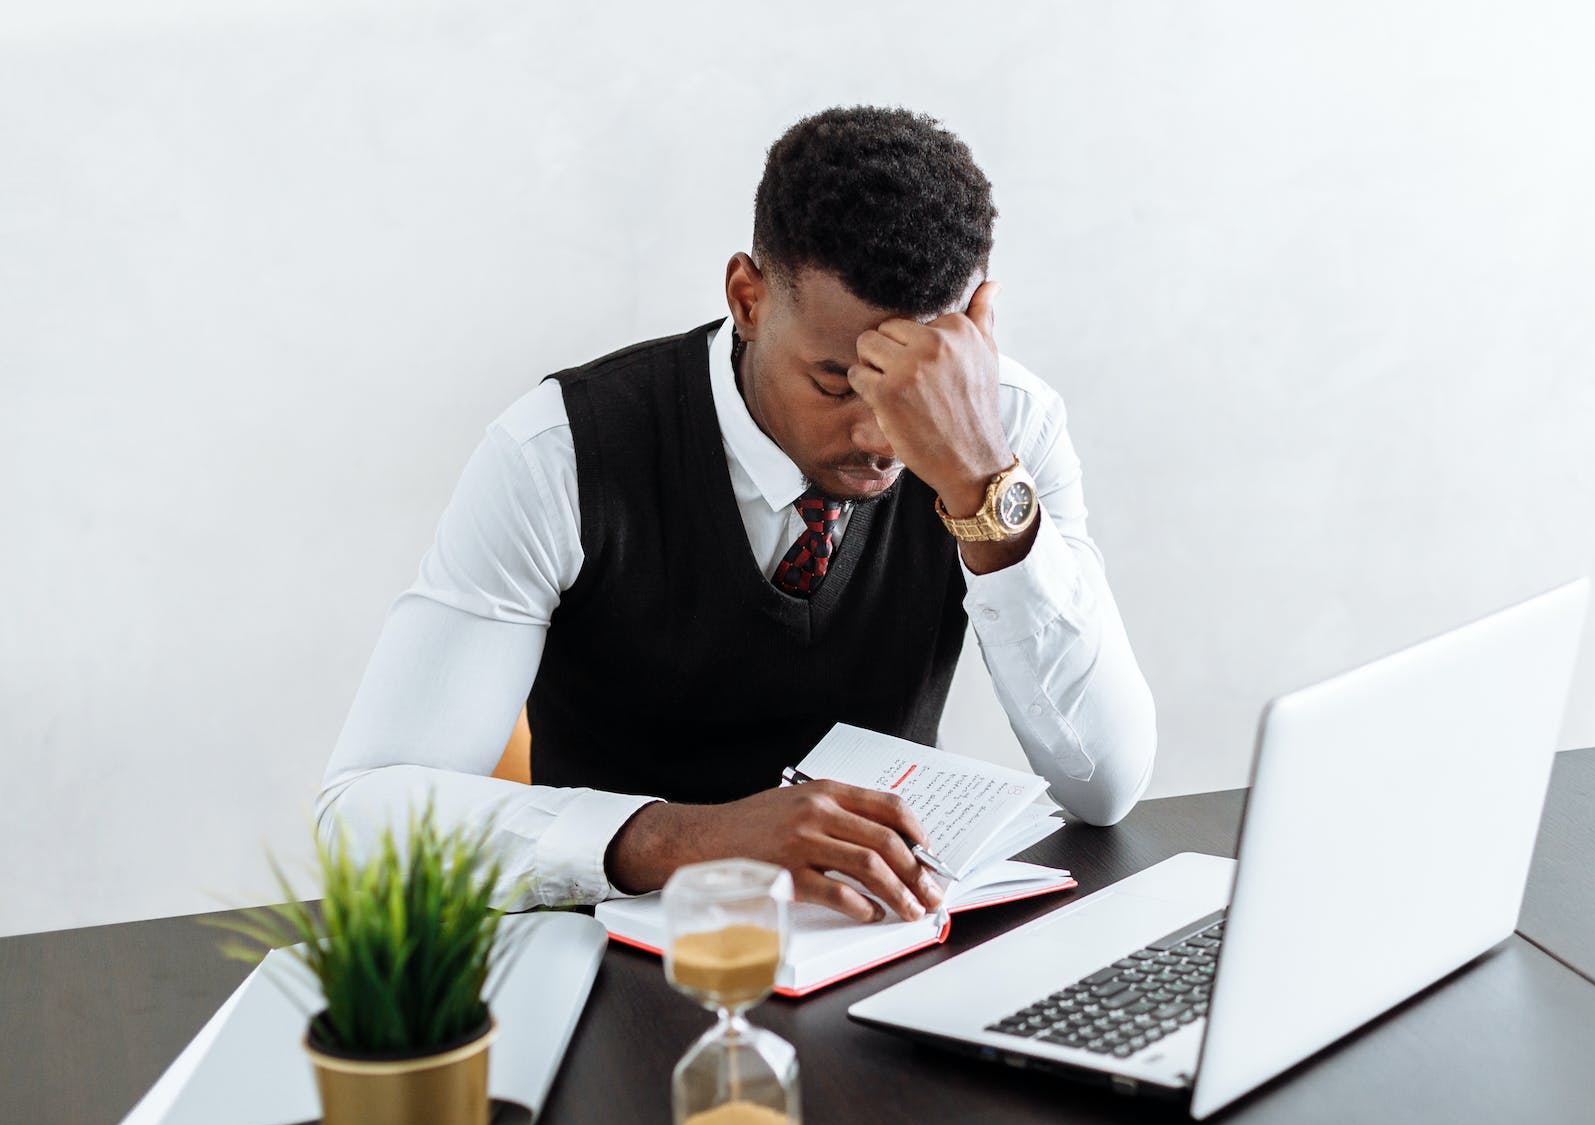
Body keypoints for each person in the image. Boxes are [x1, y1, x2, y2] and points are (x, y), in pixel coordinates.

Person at [316, 105, 1155, 922]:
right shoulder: (558, 450)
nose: (879, 436)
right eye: (836, 381)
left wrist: (984, 491)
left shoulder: (1005, 436)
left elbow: (1105, 785)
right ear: (748, 298)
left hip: (874, 954)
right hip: (612, 967)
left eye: (916, 387)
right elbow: (360, 819)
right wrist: (696, 839)